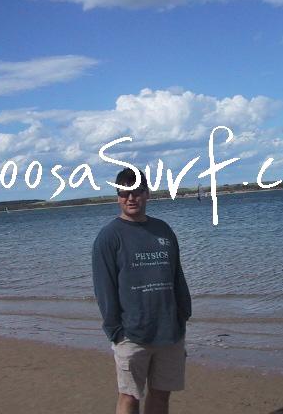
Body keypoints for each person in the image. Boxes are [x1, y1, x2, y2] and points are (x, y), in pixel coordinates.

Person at [92, 168, 192, 414]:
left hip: (170, 332)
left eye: (136, 192)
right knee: (129, 397)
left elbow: (177, 275)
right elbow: (104, 289)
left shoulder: (163, 230)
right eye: (124, 193)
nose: (131, 198)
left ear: (147, 193)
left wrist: (183, 314)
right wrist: (116, 331)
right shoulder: (109, 236)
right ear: (118, 197)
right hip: (131, 335)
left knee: (161, 396)